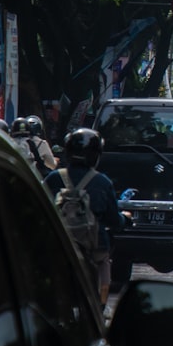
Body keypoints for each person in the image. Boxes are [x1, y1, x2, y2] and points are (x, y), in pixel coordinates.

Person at [42, 128, 125, 318]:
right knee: (103, 263)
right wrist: (124, 218)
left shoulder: (54, 178)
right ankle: (101, 305)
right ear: (96, 155)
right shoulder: (102, 182)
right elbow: (114, 219)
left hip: (59, 244)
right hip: (93, 245)